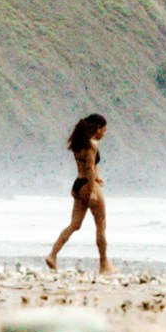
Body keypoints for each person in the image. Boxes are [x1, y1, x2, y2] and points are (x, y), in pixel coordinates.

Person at [45, 109, 110, 278]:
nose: (105, 132)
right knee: (101, 226)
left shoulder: (79, 143)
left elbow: (89, 166)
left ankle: (52, 255)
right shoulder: (92, 145)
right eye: (103, 129)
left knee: (74, 225)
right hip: (88, 186)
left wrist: (97, 177)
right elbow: (89, 167)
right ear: (97, 128)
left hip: (77, 184)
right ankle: (104, 265)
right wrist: (93, 189)